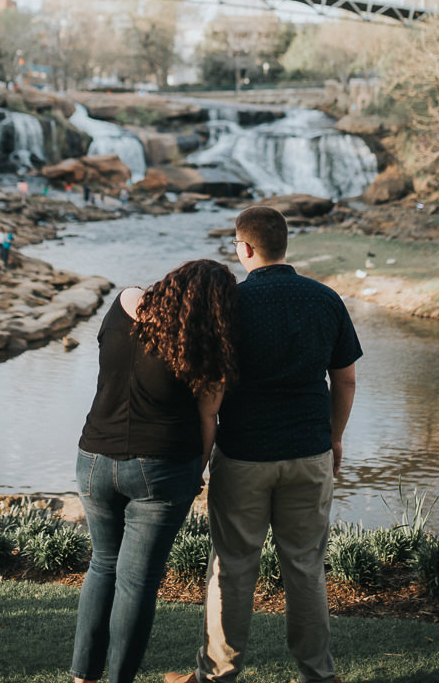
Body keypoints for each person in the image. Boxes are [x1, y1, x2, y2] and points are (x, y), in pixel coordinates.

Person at [165, 206, 361, 683]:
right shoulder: (326, 298)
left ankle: (218, 676)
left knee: (232, 568)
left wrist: (204, 455)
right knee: (306, 568)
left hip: (244, 456)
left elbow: (209, 397)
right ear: (283, 244)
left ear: (245, 248)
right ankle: (318, 675)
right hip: (309, 453)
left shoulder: (228, 303)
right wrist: (334, 438)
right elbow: (347, 380)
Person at [71, 259, 239, 683]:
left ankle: (82, 677)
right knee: (137, 583)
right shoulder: (204, 344)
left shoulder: (123, 302)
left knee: (102, 565)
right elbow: (208, 419)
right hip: (161, 468)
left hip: (93, 459)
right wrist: (196, 474)